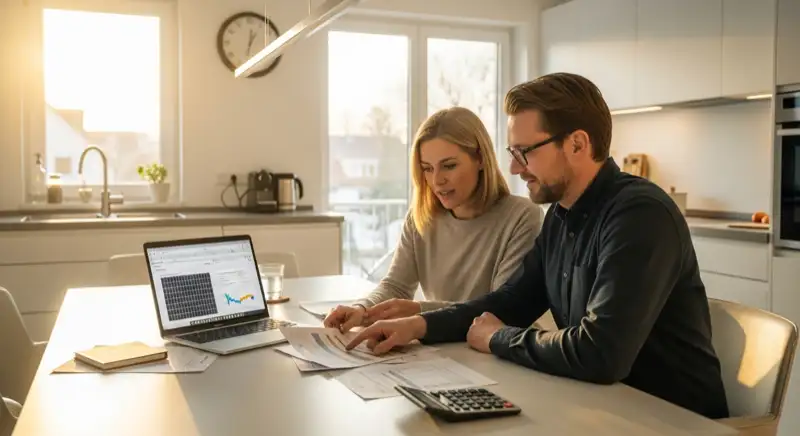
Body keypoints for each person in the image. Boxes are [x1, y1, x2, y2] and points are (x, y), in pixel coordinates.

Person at [346, 73, 730, 420]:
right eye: (514, 153)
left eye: (524, 152)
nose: (514, 168)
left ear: (578, 144)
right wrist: (417, 325)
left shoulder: (640, 216)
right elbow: (510, 302)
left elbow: (601, 354)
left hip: (673, 420)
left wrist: (498, 337)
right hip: (603, 408)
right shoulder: (561, 216)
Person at [325, 106, 544, 332]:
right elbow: (396, 285)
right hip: (444, 348)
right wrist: (362, 308)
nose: (437, 180)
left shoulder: (522, 216)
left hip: (499, 354)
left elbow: (502, 311)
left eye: (449, 166)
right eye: (427, 169)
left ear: (480, 159)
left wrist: (420, 312)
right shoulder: (421, 217)